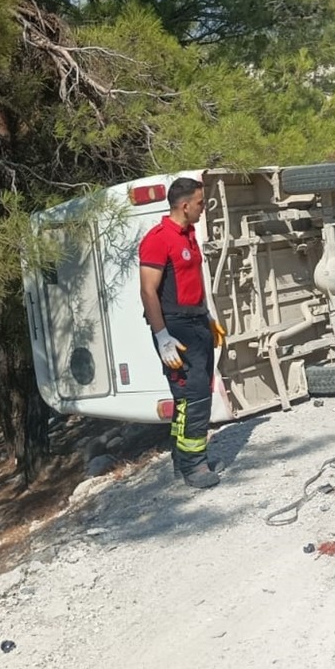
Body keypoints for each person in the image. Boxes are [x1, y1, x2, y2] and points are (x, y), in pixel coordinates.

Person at [138, 177, 227, 489]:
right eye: (201, 204)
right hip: (176, 328)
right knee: (194, 396)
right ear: (185, 205)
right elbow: (148, 292)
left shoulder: (189, 235)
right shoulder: (158, 239)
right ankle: (194, 466)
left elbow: (194, 282)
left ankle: (181, 459)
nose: (203, 209)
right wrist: (162, 336)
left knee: (189, 398)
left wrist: (209, 316)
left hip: (197, 321)